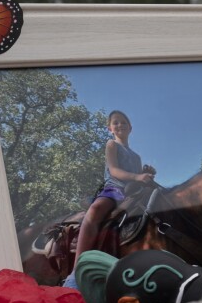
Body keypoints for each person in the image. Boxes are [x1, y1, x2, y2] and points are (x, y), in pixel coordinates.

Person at [66, 110, 155, 284]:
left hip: (131, 193)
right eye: (116, 123)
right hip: (114, 188)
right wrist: (137, 177)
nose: (120, 125)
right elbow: (114, 171)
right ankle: (77, 270)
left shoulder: (136, 156)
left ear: (130, 128)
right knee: (96, 210)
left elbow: (136, 180)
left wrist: (145, 175)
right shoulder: (111, 145)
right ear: (110, 129)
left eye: (123, 122)